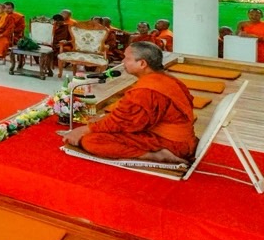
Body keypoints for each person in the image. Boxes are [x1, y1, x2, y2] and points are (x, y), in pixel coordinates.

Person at [63, 42, 197, 163]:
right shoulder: (169, 79)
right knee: (102, 126)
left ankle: (155, 156)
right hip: (182, 139)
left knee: (91, 141)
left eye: (127, 58)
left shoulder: (146, 91)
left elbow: (123, 123)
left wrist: (86, 129)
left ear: (142, 64)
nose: (123, 61)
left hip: (172, 144)